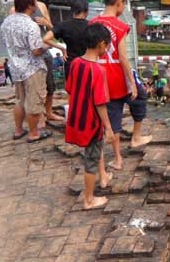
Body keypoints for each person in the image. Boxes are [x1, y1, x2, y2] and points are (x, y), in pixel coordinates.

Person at [90, 0, 152, 170]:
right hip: (117, 74)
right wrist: (132, 82)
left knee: (113, 117)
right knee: (139, 96)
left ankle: (117, 159)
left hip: (100, 76)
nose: (123, 8)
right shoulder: (119, 26)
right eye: (124, 4)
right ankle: (136, 136)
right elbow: (123, 57)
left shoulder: (92, 23)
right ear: (119, 3)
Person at [65, 23, 114, 209]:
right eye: (107, 45)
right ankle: (89, 199)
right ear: (101, 44)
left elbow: (70, 89)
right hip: (91, 123)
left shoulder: (76, 63)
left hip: (77, 119)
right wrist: (108, 127)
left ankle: (103, 178)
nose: (107, 48)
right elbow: (100, 103)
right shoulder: (98, 71)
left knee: (95, 151)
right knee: (90, 161)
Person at [2, 0, 52, 143]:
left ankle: (18, 130)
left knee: (20, 101)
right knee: (34, 102)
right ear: (30, 5)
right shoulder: (30, 25)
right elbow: (36, 50)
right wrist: (49, 45)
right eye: (35, 1)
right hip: (32, 68)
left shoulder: (7, 22)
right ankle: (34, 132)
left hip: (16, 67)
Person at [10, 0, 64, 125]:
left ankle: (49, 112)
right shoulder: (15, 12)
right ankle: (35, 123)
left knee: (49, 86)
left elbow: (53, 29)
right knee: (29, 93)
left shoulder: (41, 6)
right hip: (27, 56)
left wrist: (46, 23)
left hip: (43, 50)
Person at [43, 0, 89, 82]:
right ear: (86, 11)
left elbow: (46, 38)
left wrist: (62, 48)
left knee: (72, 91)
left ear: (72, 11)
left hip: (71, 63)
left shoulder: (63, 25)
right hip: (87, 63)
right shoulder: (91, 25)